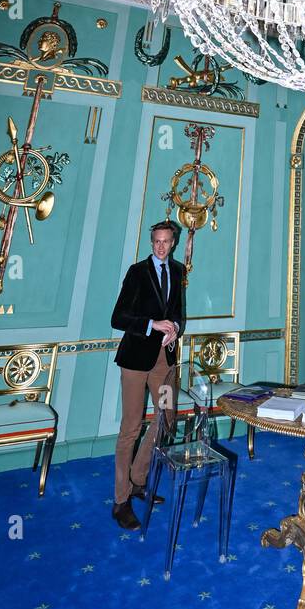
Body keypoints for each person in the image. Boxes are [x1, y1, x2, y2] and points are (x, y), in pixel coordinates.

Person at [110, 221, 185, 530]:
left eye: (166, 242)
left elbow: (179, 313)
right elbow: (118, 317)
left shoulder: (178, 271)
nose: (160, 246)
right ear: (151, 242)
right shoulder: (136, 272)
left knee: (166, 416)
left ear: (173, 243)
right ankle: (121, 500)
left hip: (163, 361)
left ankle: (138, 480)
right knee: (130, 427)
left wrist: (175, 329)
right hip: (135, 360)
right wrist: (153, 324)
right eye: (156, 241)